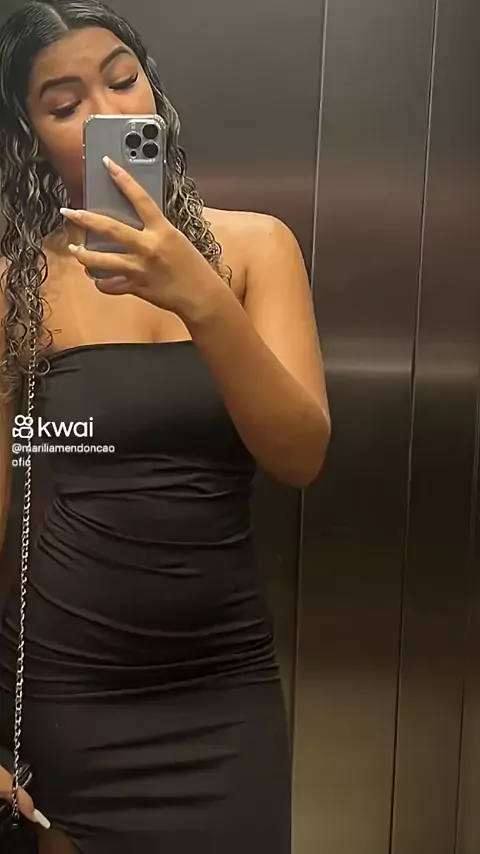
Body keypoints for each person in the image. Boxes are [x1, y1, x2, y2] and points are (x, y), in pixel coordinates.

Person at [0, 1, 331, 852]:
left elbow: (299, 455)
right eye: (65, 103)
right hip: (66, 698)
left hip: (224, 691)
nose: (107, 113)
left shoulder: (256, 249)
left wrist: (201, 297)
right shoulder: (15, 284)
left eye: (122, 80)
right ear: (28, 135)